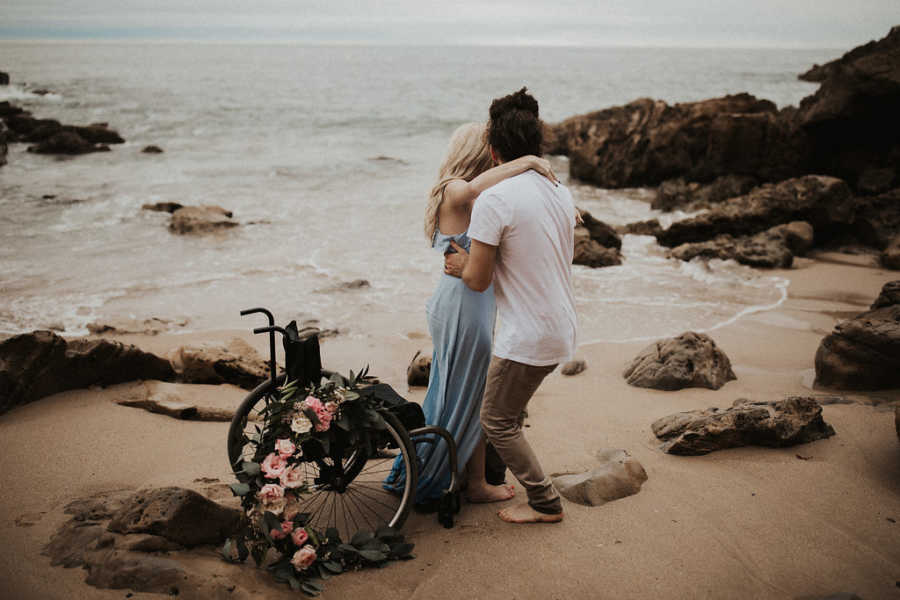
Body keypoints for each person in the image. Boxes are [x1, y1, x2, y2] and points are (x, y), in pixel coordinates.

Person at [383, 121, 559, 506]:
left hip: (466, 303)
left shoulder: (481, 199)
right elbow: (470, 188)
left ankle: (452, 473)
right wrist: (528, 160)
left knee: (461, 393)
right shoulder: (454, 191)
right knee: (470, 395)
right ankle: (471, 482)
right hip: (463, 306)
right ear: (477, 155)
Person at [444, 88, 577, 524]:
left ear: (493, 149)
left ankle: (544, 501)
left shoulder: (495, 200)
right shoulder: (559, 191)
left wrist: (463, 262)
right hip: (561, 322)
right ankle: (491, 479)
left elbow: (477, 280)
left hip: (528, 332)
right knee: (506, 411)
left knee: (497, 419)